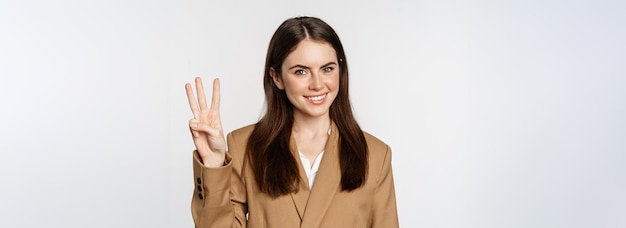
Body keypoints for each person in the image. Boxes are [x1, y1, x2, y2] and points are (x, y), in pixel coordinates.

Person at [185, 16, 398, 228]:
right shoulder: (245, 146)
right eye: (301, 71)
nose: (317, 84)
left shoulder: (375, 154)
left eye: (327, 69)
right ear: (276, 77)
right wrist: (213, 164)